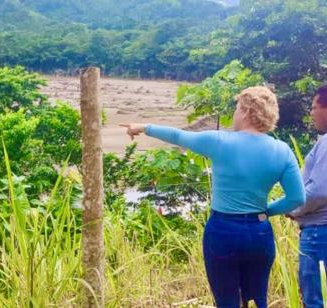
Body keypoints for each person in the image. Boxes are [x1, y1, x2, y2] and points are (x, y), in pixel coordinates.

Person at [121, 86, 305, 308]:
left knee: (227, 301)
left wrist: (143, 127)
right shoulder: (282, 150)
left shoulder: (220, 141)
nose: (235, 114)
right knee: (257, 300)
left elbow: (179, 136)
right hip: (259, 232)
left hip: (223, 230)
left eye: (237, 108)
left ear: (247, 111)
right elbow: (296, 198)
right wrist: (266, 212)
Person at [288, 84, 327, 308]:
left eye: (314, 107)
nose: (311, 113)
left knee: (316, 300)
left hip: (319, 234)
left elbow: (319, 190)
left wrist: (292, 208)